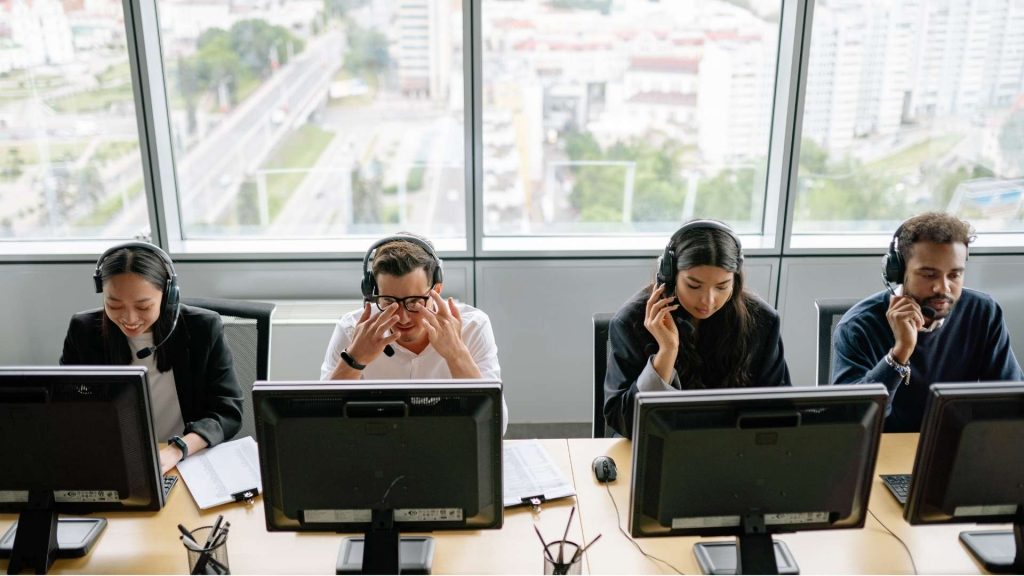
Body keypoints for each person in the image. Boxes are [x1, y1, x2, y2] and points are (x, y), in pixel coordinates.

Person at [61, 242, 243, 474]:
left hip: (187, 459)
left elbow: (228, 411)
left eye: (143, 306)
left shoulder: (202, 329)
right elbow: (67, 407)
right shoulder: (84, 331)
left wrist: (177, 449)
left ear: (168, 296)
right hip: (115, 459)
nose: (129, 318)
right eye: (113, 305)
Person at [832, 212, 1023, 432]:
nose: (943, 288)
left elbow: (1010, 401)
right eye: (929, 274)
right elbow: (850, 422)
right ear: (899, 272)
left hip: (956, 452)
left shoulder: (982, 312)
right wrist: (900, 353)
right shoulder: (858, 327)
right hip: (885, 455)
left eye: (954, 275)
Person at [604, 220, 791, 438]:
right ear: (670, 275)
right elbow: (626, 424)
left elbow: (780, 410)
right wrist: (666, 353)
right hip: (657, 444)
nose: (708, 300)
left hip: (731, 449)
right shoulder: (631, 322)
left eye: (722, 286)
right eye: (693, 285)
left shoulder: (762, 321)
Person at [320, 233, 507, 432]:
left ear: (437, 288)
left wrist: (457, 354)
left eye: (414, 302)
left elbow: (496, 427)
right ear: (373, 293)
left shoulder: (473, 328)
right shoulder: (352, 331)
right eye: (389, 302)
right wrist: (353, 359)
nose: (403, 317)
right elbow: (322, 424)